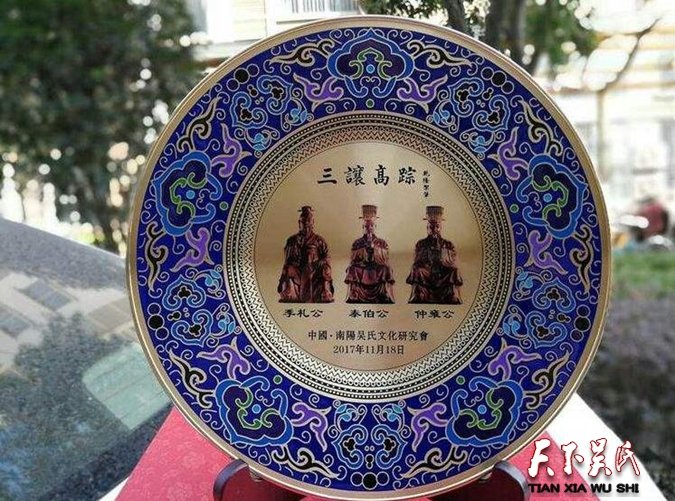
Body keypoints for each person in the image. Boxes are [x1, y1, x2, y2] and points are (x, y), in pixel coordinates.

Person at [406, 206, 463, 304]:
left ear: (441, 227)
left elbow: (452, 259)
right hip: (427, 270)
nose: (434, 229)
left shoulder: (448, 244)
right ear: (427, 228)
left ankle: (452, 296)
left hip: (443, 270)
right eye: (431, 227)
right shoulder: (421, 243)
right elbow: (417, 259)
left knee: (454, 270)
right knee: (416, 269)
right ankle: (418, 295)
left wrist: (443, 254)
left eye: (437, 227)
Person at [278, 206, 334, 303]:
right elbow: (288, 259)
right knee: (288, 269)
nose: (306, 224)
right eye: (303, 222)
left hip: (314, 268)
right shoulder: (292, 240)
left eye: (309, 221)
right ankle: (290, 293)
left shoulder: (319, 240)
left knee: (326, 270)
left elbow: (326, 256)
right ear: (299, 223)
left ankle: (325, 293)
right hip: (298, 269)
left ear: (313, 222)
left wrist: (318, 262)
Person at [344, 205, 395, 303]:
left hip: (377, 266)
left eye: (371, 226)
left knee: (386, 269)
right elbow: (353, 259)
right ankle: (354, 294)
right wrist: (364, 250)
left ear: (375, 227)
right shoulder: (357, 243)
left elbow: (385, 258)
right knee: (352, 269)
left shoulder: (382, 242)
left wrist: (374, 249)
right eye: (367, 226)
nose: (369, 228)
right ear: (363, 227)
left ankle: (385, 294)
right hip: (362, 266)